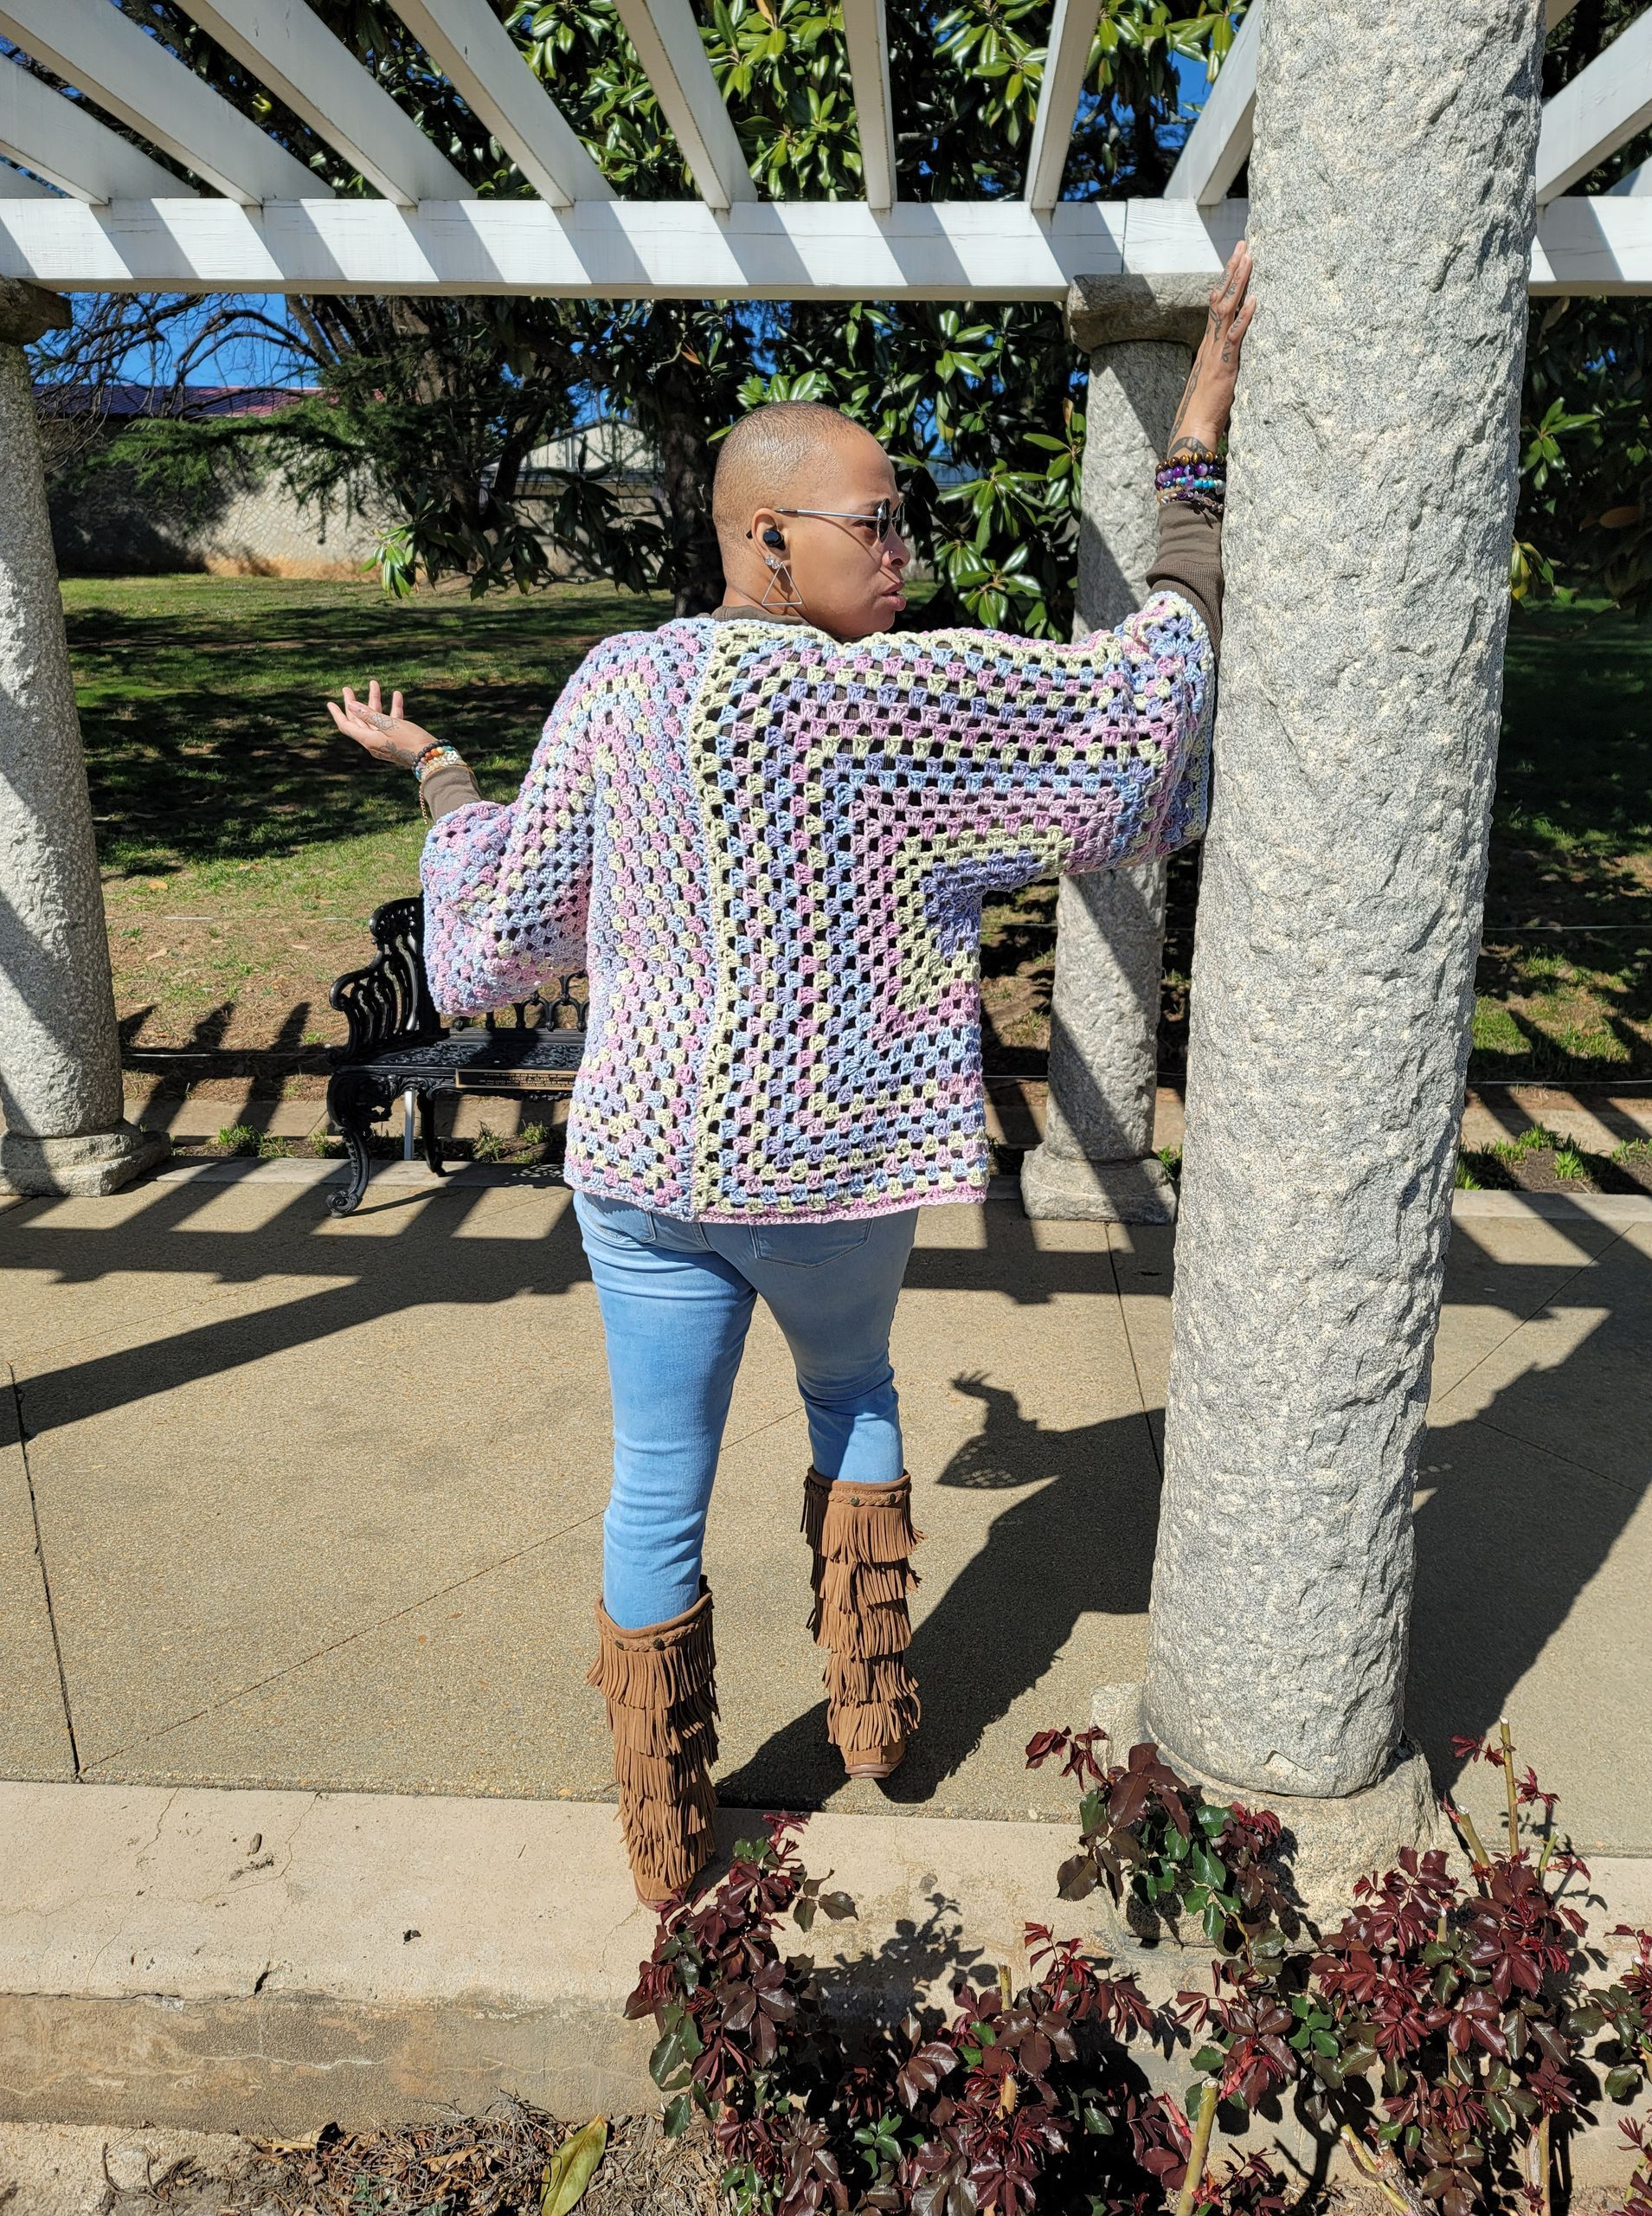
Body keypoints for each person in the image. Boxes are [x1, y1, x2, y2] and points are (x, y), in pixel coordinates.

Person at [325, 246, 1256, 1909]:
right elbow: (1140, 730)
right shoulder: (893, 701)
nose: (908, 553)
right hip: (832, 1181)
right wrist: (1191, 464)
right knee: (858, 1398)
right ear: (764, 538)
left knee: (652, 1479)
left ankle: (666, 1838)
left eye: (905, 522)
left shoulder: (620, 687)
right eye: (874, 524)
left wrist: (444, 776)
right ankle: (877, 1713)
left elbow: (489, 947)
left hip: (641, 1176)